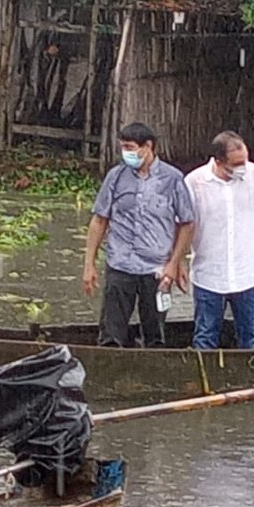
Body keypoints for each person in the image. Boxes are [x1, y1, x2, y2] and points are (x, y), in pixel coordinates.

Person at [83, 123, 195, 347]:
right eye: (123, 147)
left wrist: (175, 262)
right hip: (120, 263)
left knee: (155, 332)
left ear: (148, 147)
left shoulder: (172, 179)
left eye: (130, 147)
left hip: (157, 268)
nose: (126, 153)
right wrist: (89, 264)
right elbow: (99, 220)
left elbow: (187, 223)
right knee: (110, 332)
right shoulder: (116, 177)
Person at [182, 131, 254, 349]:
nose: (243, 168)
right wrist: (178, 261)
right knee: (205, 337)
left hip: (249, 273)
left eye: (245, 161)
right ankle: (205, 383)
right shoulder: (194, 182)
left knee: (253, 338)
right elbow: (185, 225)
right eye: (237, 164)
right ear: (219, 161)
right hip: (209, 275)